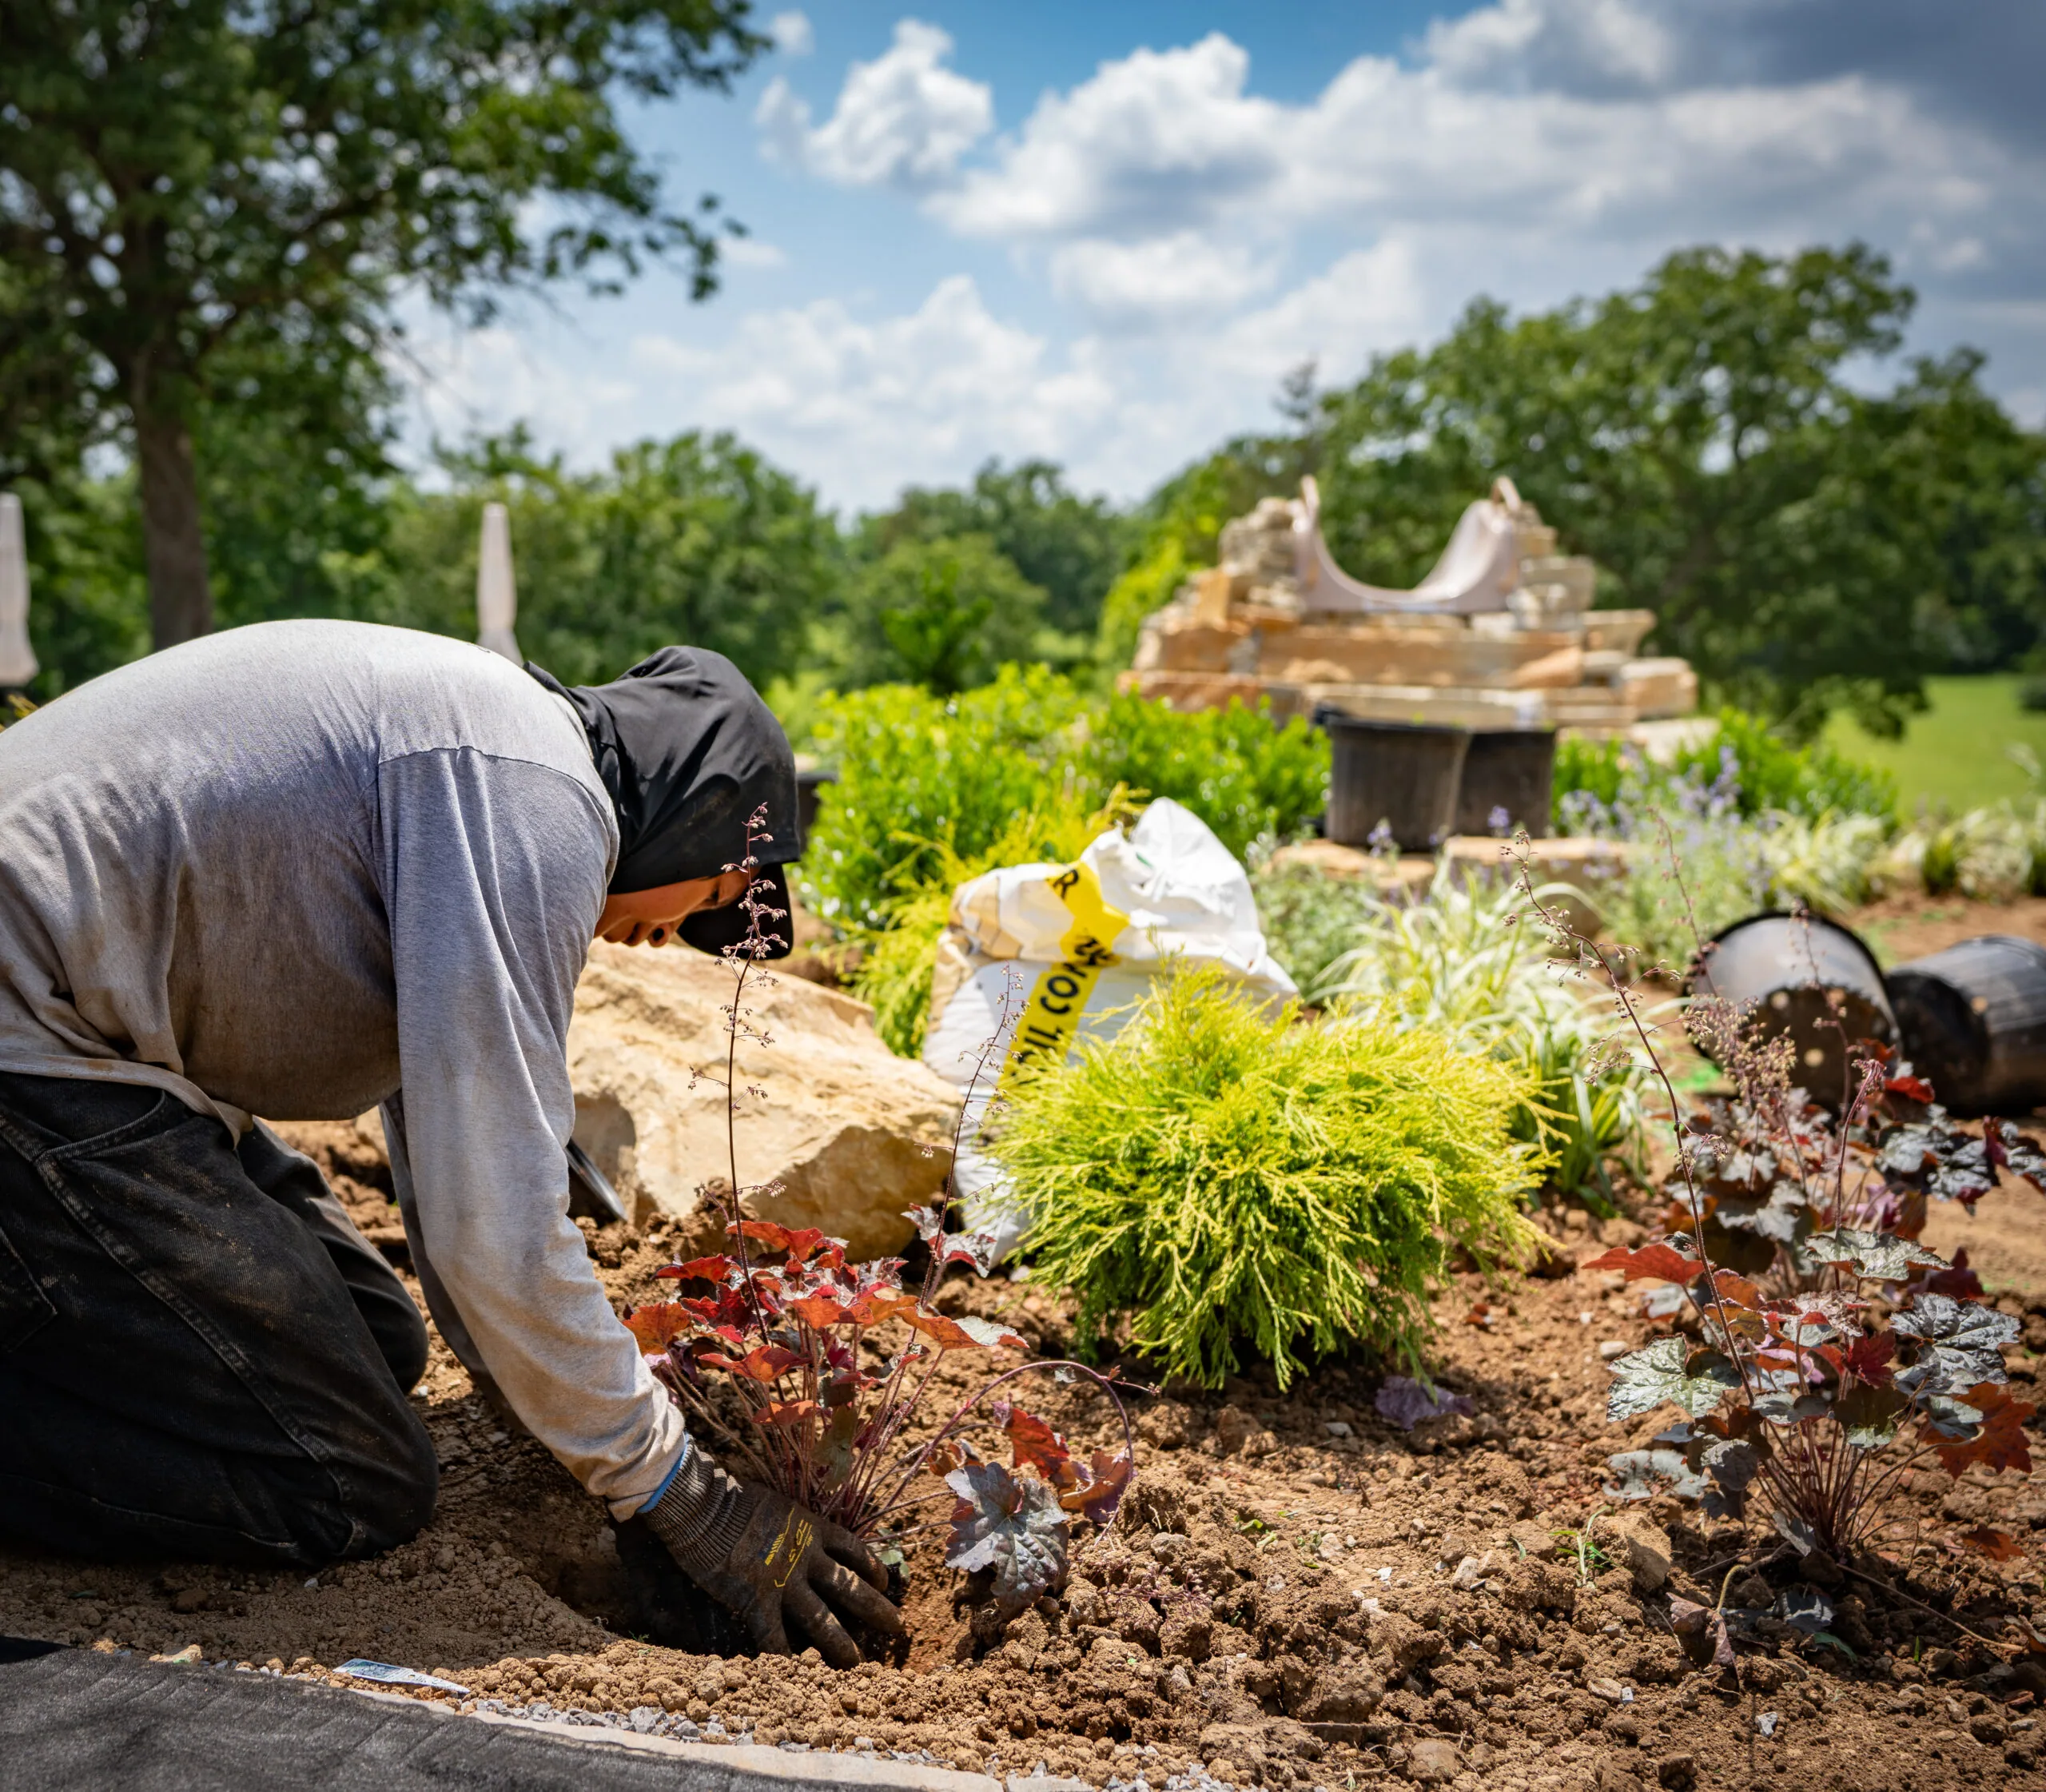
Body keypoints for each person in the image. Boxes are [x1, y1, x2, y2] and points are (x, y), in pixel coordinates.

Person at [0, 619, 901, 1667]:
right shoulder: (535, 796)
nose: (680, 934)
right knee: (347, 1472)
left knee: (376, 1344)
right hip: (28, 1035)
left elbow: (452, 1161)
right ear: (695, 815)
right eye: (712, 897)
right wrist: (678, 1494)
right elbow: (495, 1232)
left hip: (88, 1034)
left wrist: (570, 1416)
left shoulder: (497, 746)